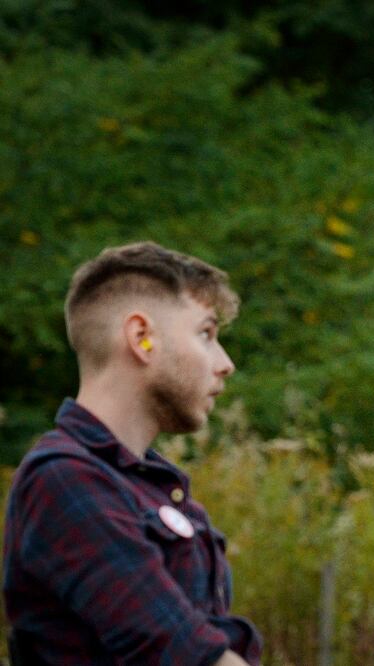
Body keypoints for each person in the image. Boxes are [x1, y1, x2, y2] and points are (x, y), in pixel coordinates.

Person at [2, 242, 261, 665]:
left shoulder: (154, 484)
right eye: (206, 334)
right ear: (141, 338)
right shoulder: (64, 479)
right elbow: (182, 653)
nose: (225, 363)